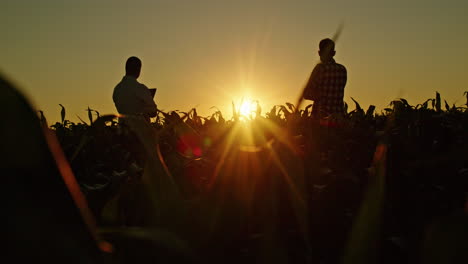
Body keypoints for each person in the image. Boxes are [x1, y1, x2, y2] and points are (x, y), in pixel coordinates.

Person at [303, 38, 347, 118]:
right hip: (338, 118)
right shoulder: (342, 69)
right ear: (334, 53)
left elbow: (306, 94)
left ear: (319, 53)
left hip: (320, 118)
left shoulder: (319, 69)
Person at [113, 56, 157, 121]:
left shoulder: (117, 89)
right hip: (141, 128)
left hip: (123, 128)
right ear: (138, 69)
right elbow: (153, 112)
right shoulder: (140, 88)